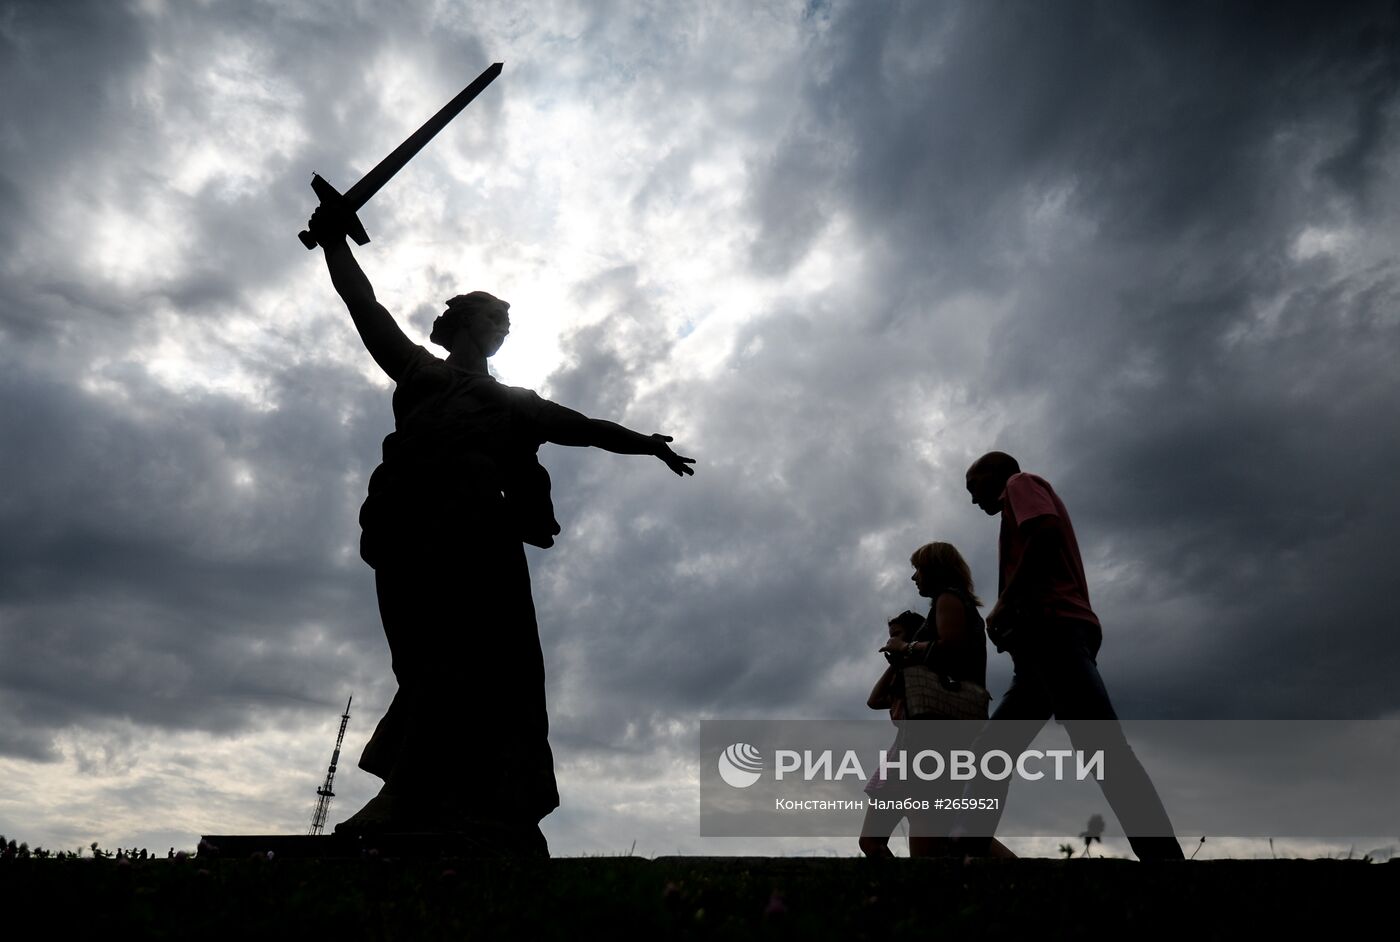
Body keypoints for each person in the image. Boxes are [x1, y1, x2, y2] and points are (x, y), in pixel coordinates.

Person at [305, 208, 695, 855]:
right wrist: (336, 243)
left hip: (477, 537)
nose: (502, 332)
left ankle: (414, 795)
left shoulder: (515, 403)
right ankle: (436, 792)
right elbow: (361, 302)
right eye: (493, 320)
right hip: (404, 524)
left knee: (460, 664)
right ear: (460, 322)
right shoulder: (418, 370)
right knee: (419, 662)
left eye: (508, 327)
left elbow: (588, 427)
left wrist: (647, 444)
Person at [958, 452, 1184, 861]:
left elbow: (1046, 531)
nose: (973, 501)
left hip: (1054, 635)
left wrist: (1006, 602)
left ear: (995, 473)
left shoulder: (1019, 484)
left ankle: (1164, 859)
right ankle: (967, 852)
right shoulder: (1015, 501)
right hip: (1041, 648)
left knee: (1102, 748)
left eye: (974, 488)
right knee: (993, 751)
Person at [860, 545, 1015, 858]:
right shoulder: (955, 602)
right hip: (945, 732)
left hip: (938, 731)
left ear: (935, 569)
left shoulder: (948, 599)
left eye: (918, 568)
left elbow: (950, 648)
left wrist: (907, 648)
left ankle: (928, 894)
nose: (914, 576)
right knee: (944, 825)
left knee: (928, 818)